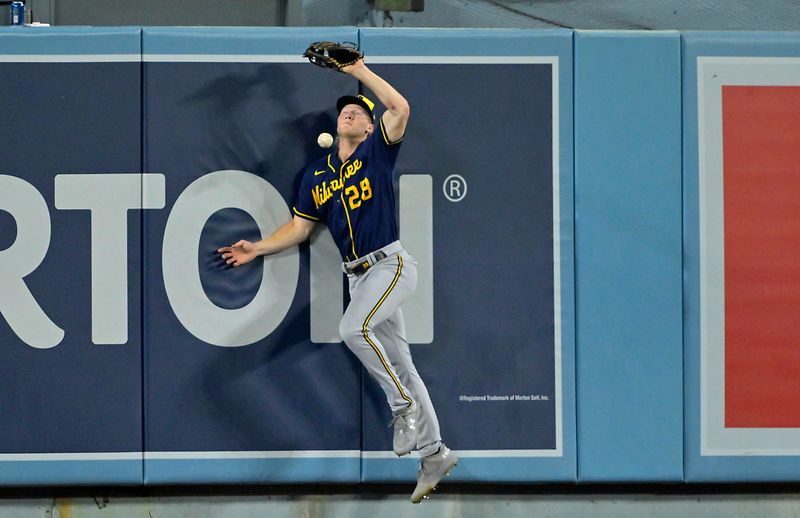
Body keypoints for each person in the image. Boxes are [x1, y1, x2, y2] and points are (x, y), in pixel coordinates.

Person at [217, 58, 457, 503]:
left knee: (352, 329)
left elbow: (399, 106)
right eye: (345, 109)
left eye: (360, 112)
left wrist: (358, 69)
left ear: (370, 129)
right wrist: (258, 247)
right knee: (402, 364)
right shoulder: (317, 176)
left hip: (390, 265)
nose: (350, 112)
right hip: (356, 277)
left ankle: (401, 406)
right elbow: (300, 228)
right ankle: (435, 453)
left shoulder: (376, 151)